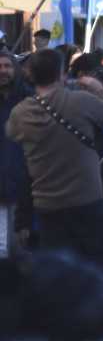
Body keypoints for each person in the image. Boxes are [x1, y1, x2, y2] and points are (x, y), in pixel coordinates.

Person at [5, 49, 103, 270]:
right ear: (62, 74)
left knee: (59, 277)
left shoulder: (20, 113)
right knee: (95, 271)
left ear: (31, 75)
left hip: (48, 208)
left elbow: (11, 134)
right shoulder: (80, 102)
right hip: (87, 203)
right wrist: (100, 90)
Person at [0, 51, 31, 257]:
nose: (3, 71)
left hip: (24, 185)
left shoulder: (29, 99)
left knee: (21, 251)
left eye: (7, 66)